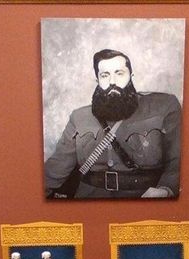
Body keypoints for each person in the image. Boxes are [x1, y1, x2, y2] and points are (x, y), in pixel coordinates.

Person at [44, 49, 182, 198]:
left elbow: (178, 160)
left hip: (142, 200)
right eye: (105, 75)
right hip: (89, 200)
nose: (112, 82)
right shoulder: (79, 117)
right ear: (97, 80)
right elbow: (56, 168)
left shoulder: (163, 107)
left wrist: (165, 189)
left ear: (131, 76)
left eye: (119, 73)